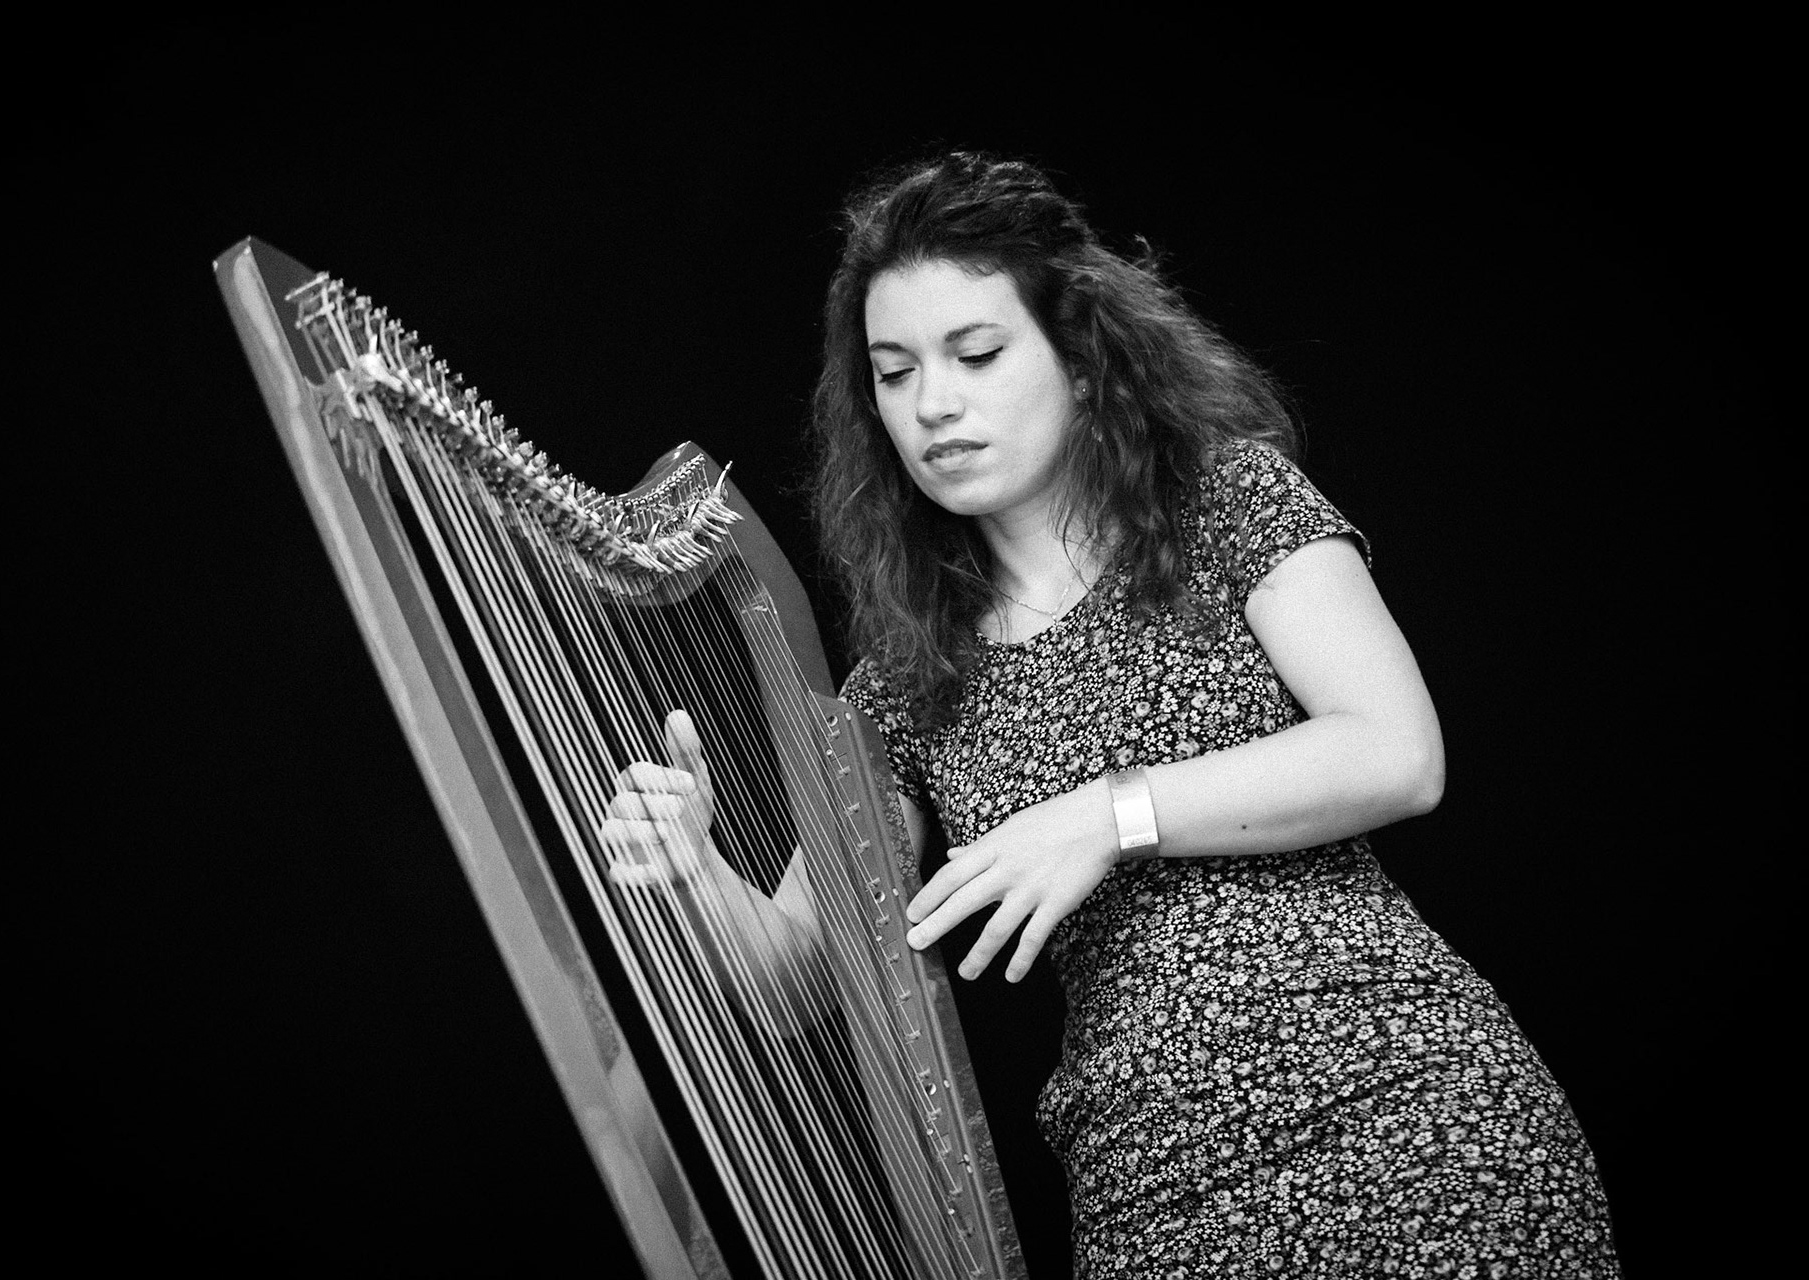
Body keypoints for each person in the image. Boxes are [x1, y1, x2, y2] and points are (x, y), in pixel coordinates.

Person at [601, 152, 1620, 1278]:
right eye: (894, 373)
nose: (935, 402)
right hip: (1150, 1183)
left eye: (977, 354)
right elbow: (797, 981)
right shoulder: (907, 675)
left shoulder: (1227, 503)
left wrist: (1105, 814)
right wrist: (693, 869)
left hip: (1402, 1101)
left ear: (1080, 357)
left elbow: (1395, 749)